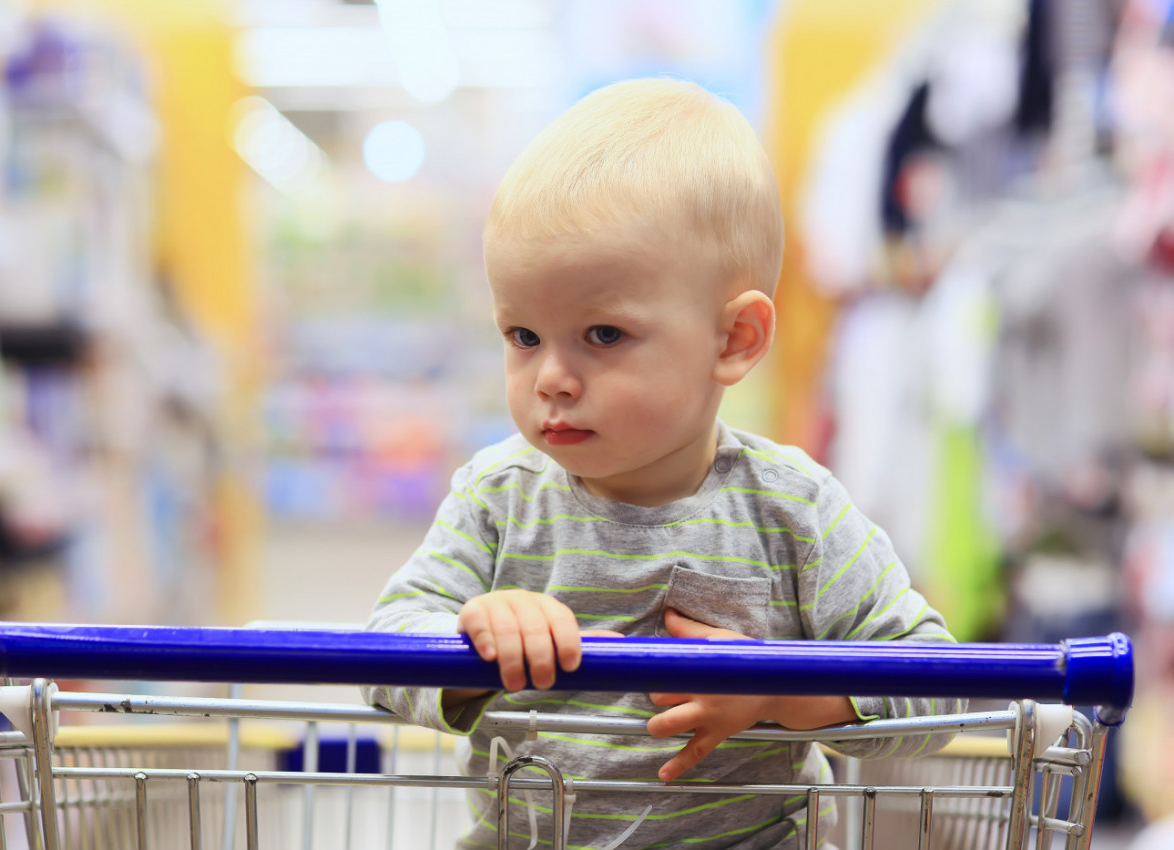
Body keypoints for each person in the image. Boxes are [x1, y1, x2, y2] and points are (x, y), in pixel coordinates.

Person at [362, 78, 963, 850]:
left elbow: (938, 686)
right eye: (522, 336)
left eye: (603, 335)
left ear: (734, 339)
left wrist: (777, 693)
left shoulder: (792, 511)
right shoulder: (499, 498)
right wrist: (473, 640)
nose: (550, 377)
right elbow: (386, 656)